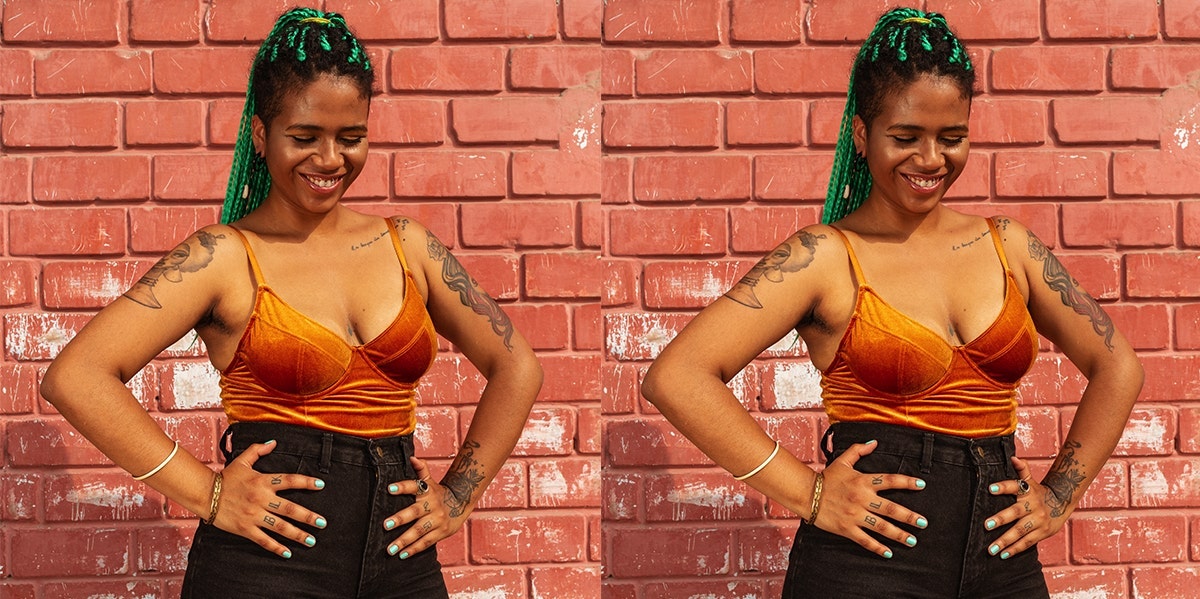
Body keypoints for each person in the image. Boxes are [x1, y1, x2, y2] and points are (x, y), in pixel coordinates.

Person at [641, 7, 1142, 598]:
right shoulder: (826, 256)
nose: (931, 160)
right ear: (862, 133)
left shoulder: (1010, 246)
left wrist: (1059, 495)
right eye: (905, 137)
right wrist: (809, 493)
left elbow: (1119, 367)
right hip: (867, 563)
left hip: (1002, 559)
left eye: (952, 138)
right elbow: (676, 376)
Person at [41, 8, 542, 598]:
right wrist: (209, 494)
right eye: (304, 137)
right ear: (260, 133)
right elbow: (76, 376)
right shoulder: (225, 256)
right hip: (266, 563)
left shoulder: (409, 245)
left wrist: (457, 496)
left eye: (350, 138)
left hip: (400, 559)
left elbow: (518, 367)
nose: (330, 160)